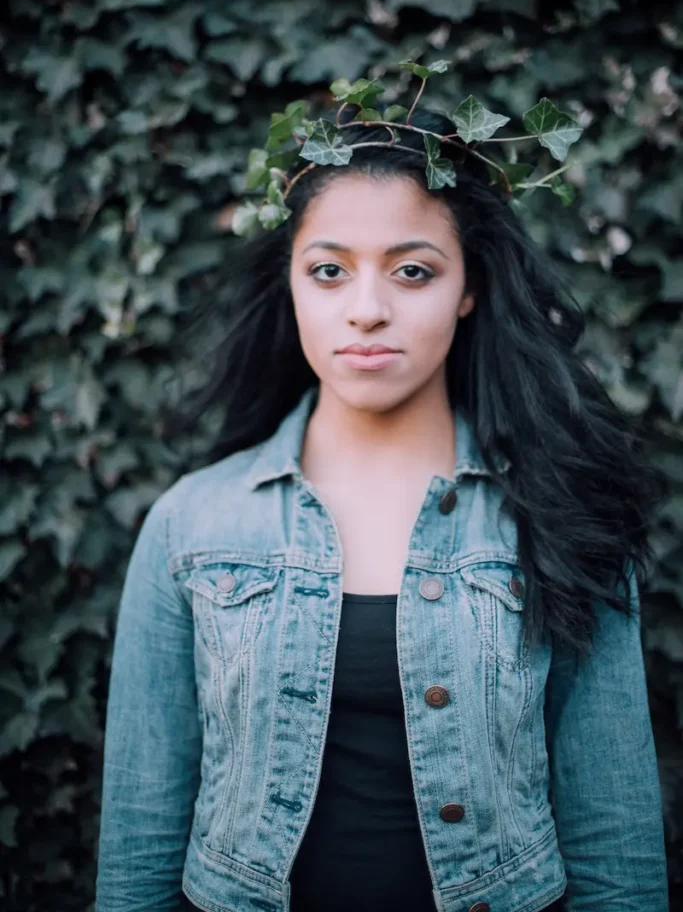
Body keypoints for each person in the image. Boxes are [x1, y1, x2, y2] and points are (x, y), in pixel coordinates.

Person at [95, 107, 669, 912]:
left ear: (468, 288)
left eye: (412, 271)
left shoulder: (563, 512)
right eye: (329, 270)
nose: (366, 309)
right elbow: (138, 844)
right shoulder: (193, 525)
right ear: (290, 283)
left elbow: (615, 849)